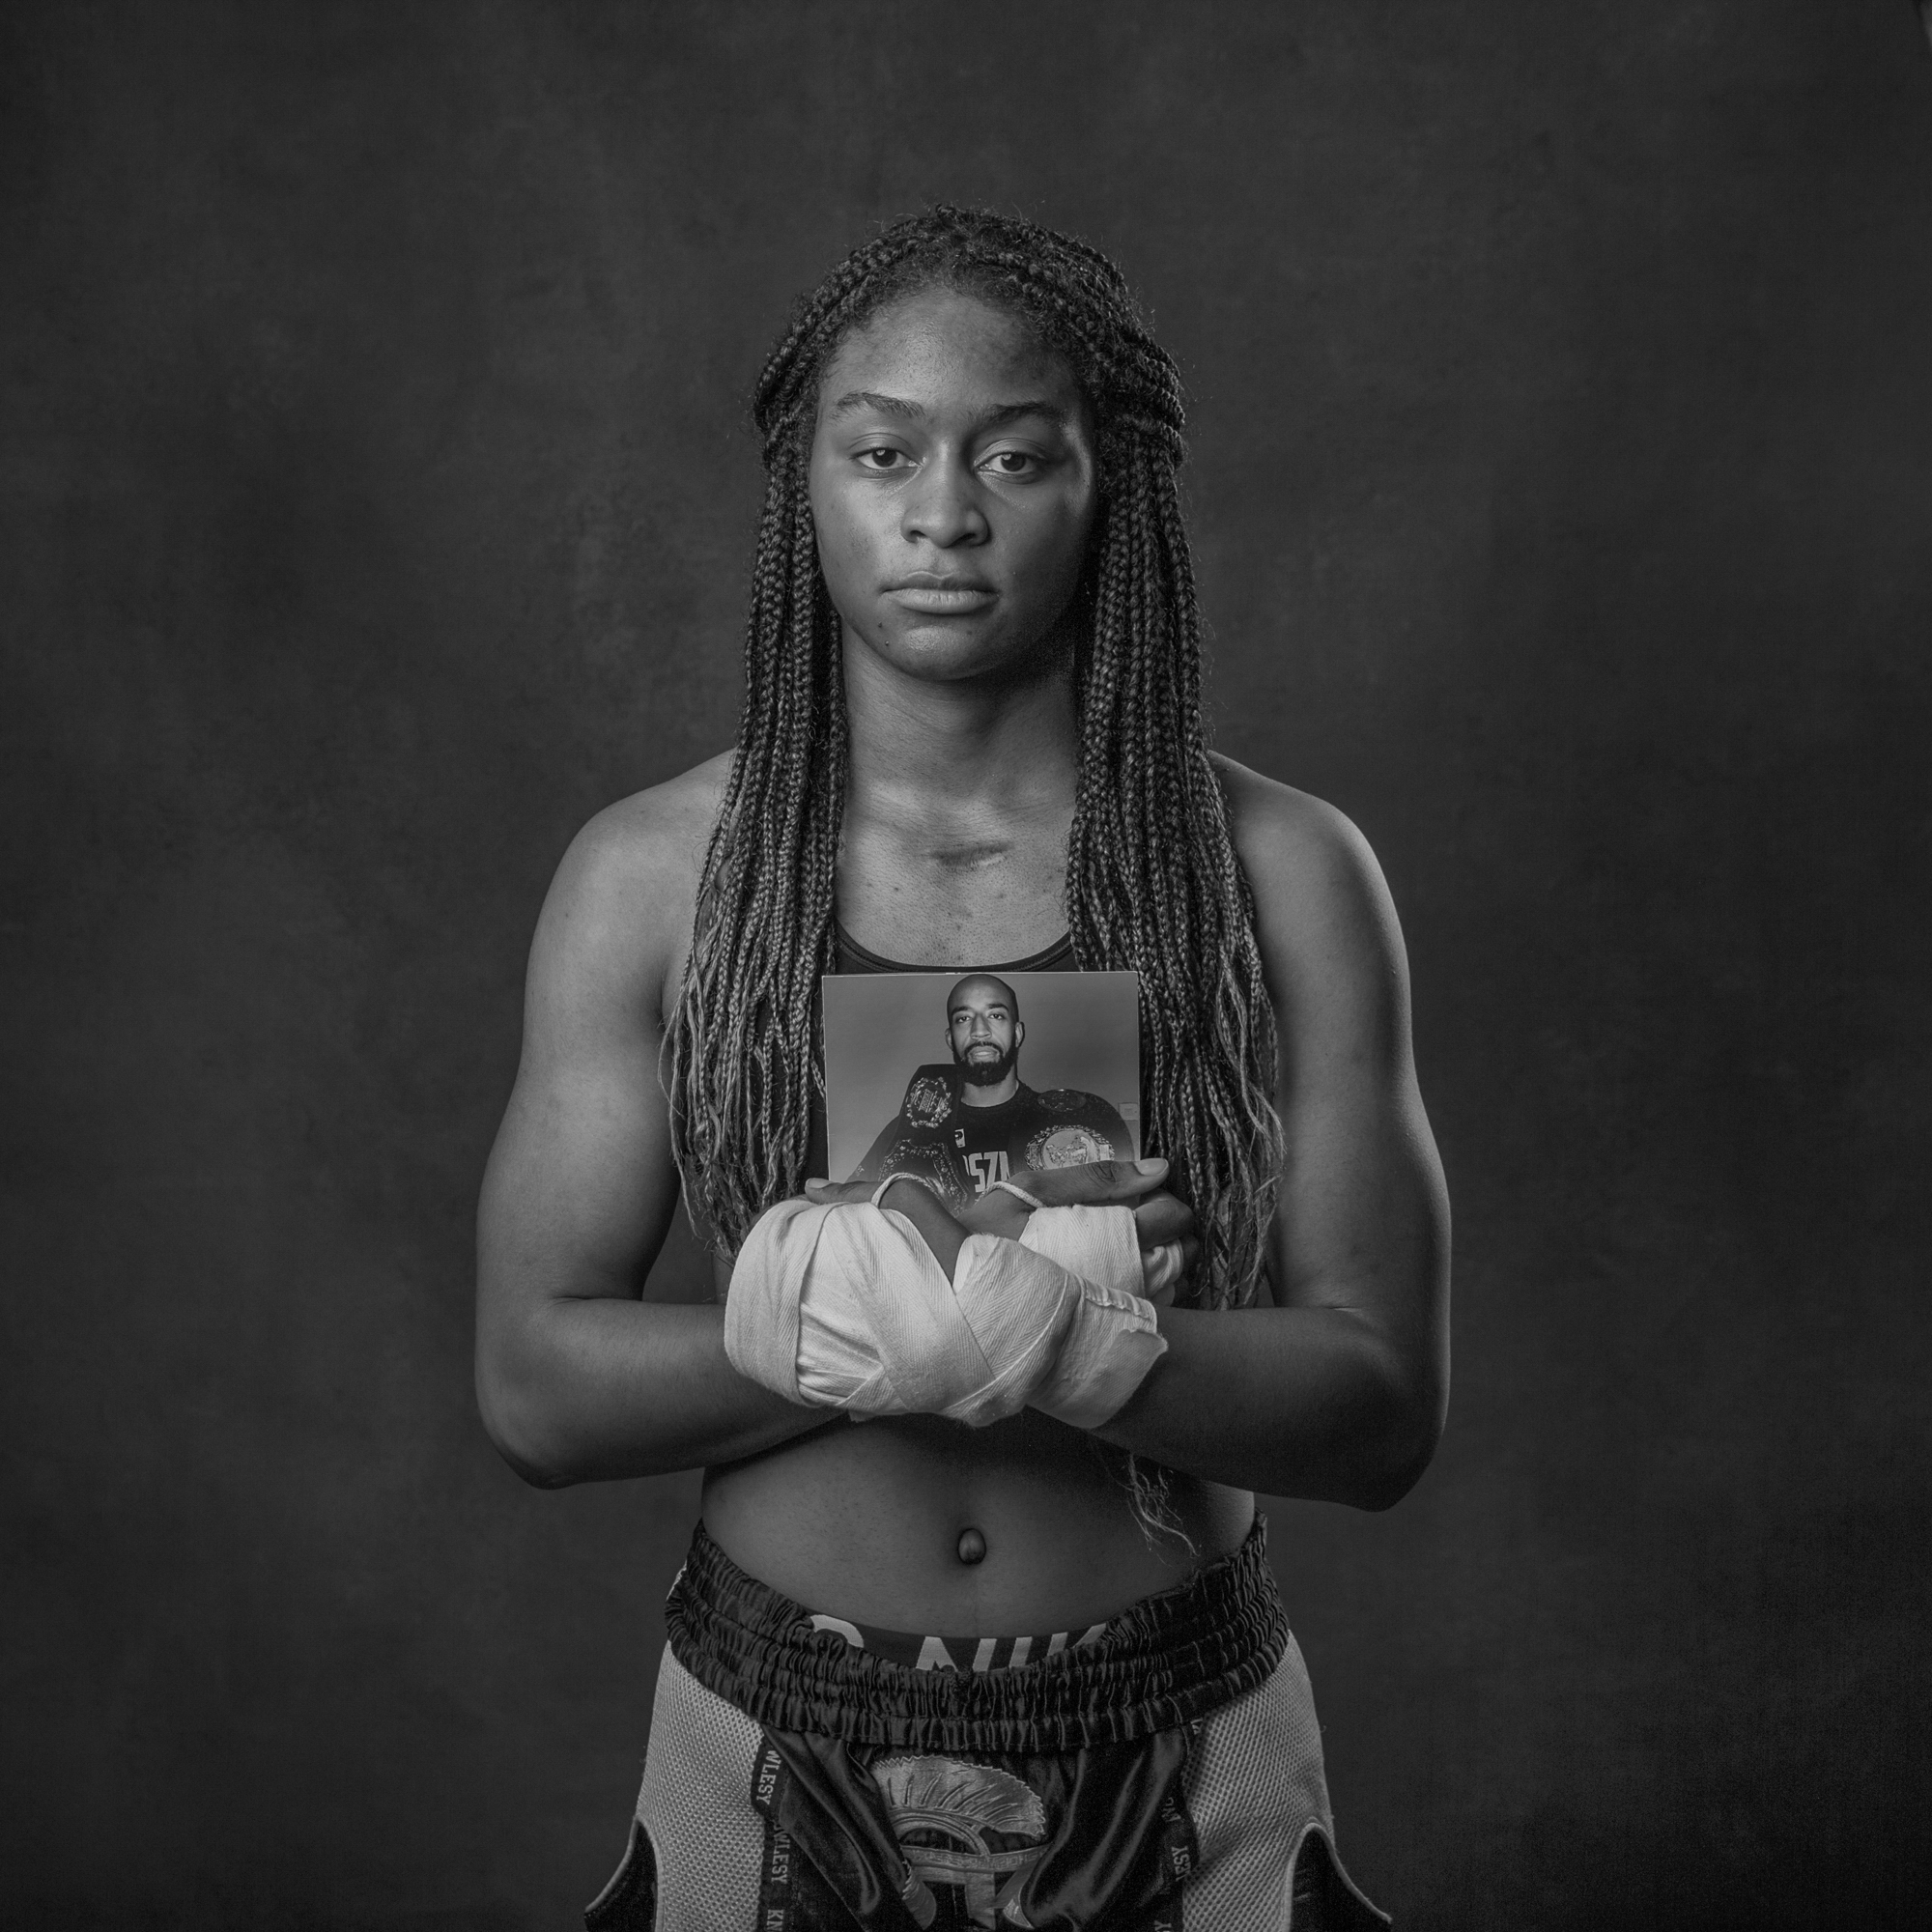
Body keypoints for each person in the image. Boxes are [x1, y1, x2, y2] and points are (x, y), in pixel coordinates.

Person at [475, 206, 1449, 1929]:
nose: (943, 514)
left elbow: (1382, 1409)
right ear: (805, 486)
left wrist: (1079, 1344)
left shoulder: (1284, 874)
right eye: (883, 454)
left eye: (1014, 454)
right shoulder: (652, 878)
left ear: (1106, 485)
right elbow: (534, 1388)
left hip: (1186, 1744)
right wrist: (906, 1324)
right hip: (770, 1743)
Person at [845, 972, 1134, 1208]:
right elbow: (850, 1212)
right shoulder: (912, 1130)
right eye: (963, 1018)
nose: (979, 1031)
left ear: (1017, 1033)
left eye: (995, 1015)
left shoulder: (1070, 1125)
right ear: (950, 1038)